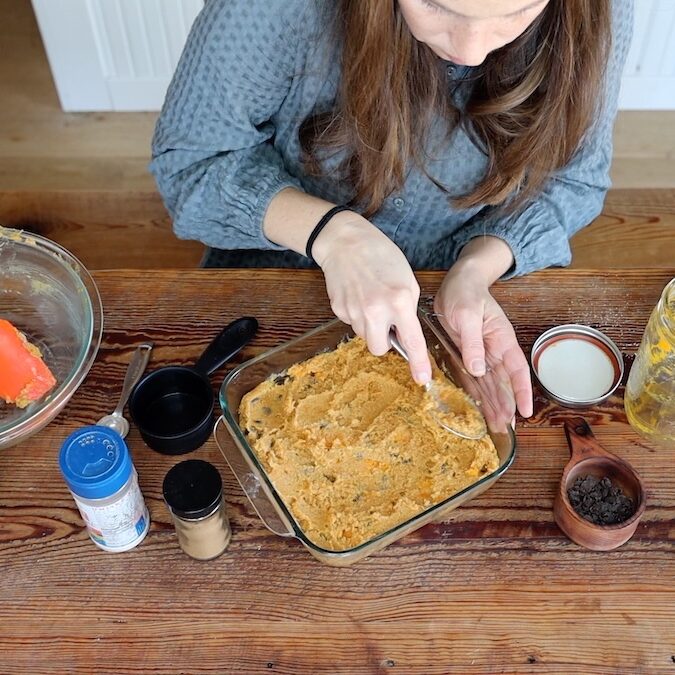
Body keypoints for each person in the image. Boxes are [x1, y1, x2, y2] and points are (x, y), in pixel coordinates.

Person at [151, 0, 633, 421]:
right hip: (279, 277)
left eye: (517, 13)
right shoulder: (275, 9)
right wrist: (331, 234)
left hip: (454, 298)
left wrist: (476, 267)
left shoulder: (599, 11)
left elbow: (574, 182)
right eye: (435, 5)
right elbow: (192, 165)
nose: (471, 50)